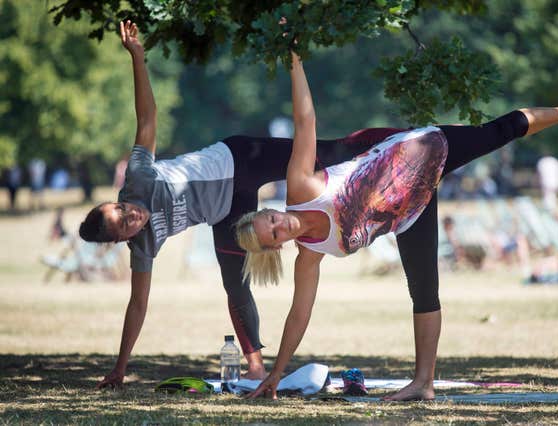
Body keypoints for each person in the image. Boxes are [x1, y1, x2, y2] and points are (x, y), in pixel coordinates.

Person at [236, 51, 558, 401]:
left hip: (420, 151)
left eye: (270, 218)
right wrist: (277, 373)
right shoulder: (310, 256)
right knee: (425, 291)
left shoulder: (301, 186)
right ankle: (423, 383)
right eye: (275, 233)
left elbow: (305, 120)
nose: (279, 224)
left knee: (498, 131)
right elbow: (299, 314)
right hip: (411, 211)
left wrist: (294, 59)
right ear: (275, 246)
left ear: (269, 210)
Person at [78, 21, 391, 388]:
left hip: (238, 160)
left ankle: (389, 144)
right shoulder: (142, 246)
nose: (133, 216)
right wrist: (119, 367)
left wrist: (138, 58)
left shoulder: (138, 179)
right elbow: (137, 305)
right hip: (227, 213)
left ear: (115, 201)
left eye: (123, 210)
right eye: (125, 226)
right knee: (236, 284)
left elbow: (147, 119)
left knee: (324, 151)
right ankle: (256, 367)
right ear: (122, 240)